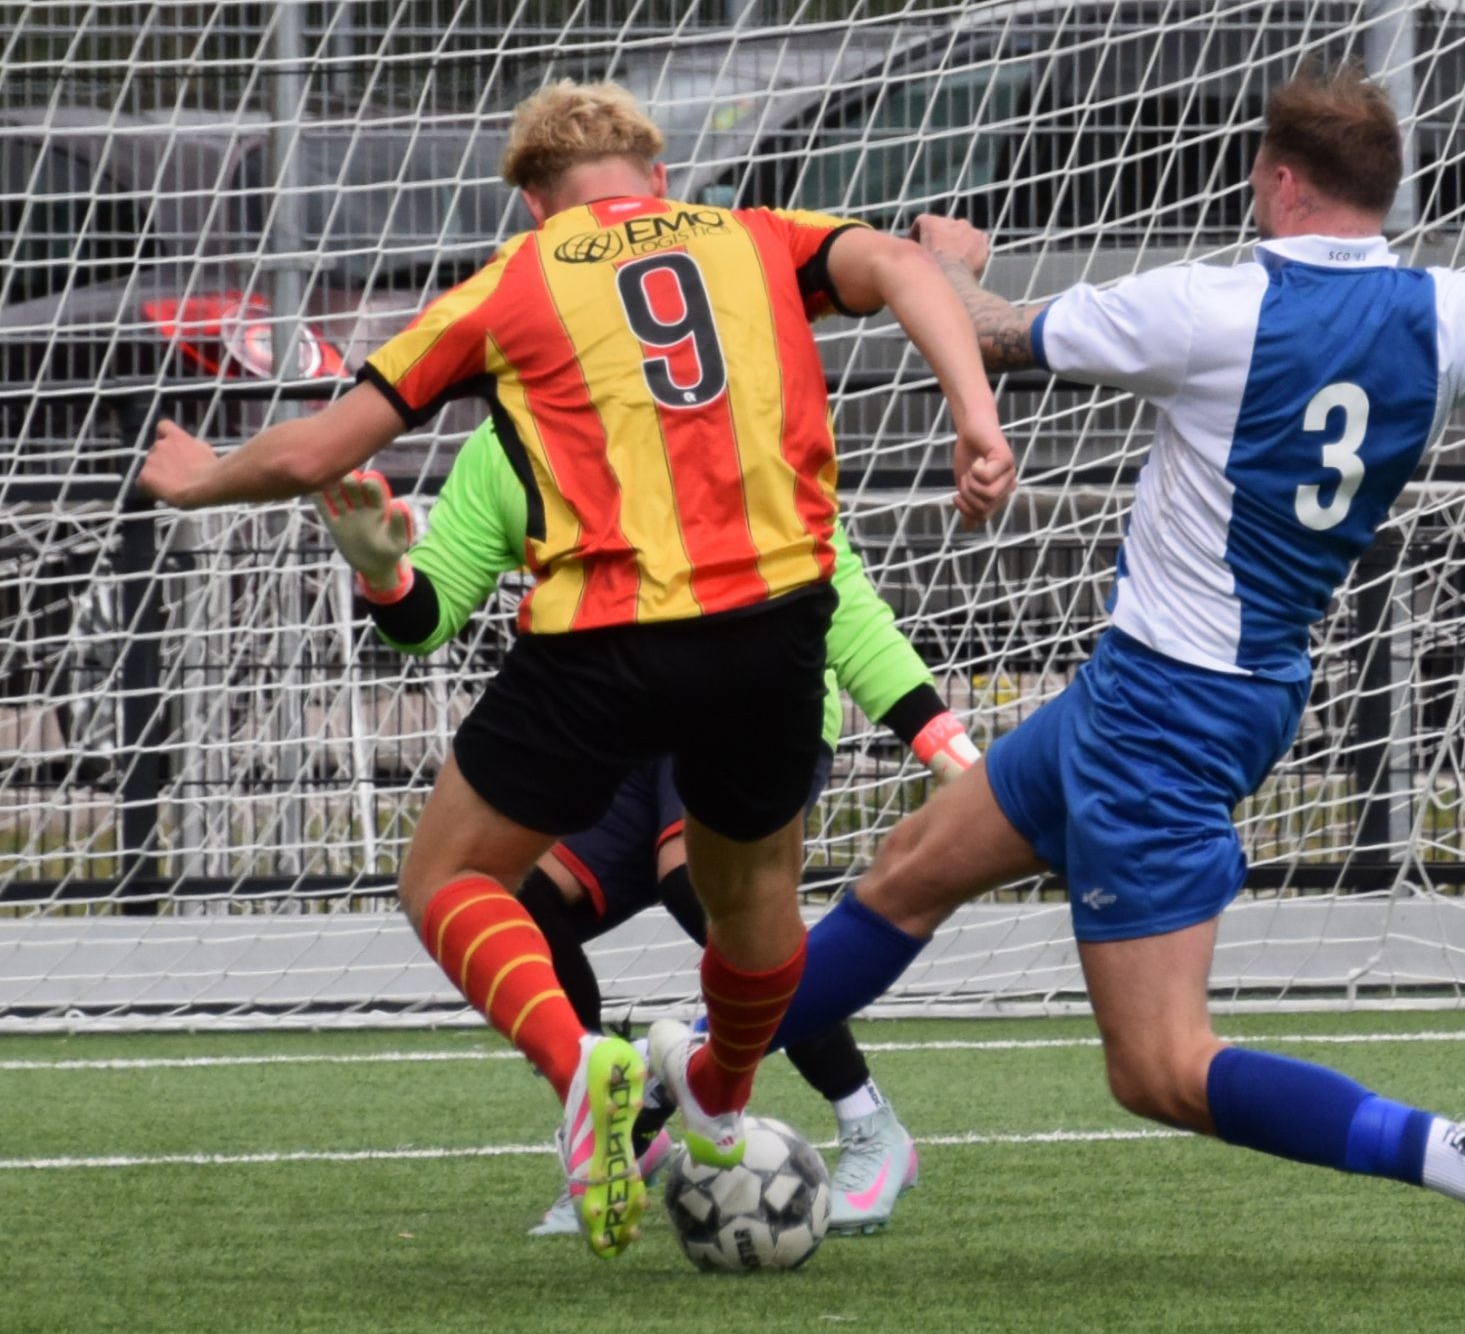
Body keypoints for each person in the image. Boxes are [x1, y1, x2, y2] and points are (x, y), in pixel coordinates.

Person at [718, 64, 1465, 1283]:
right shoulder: (1455, 309)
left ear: (1276, 178)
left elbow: (993, 333)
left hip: (1166, 712)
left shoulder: (1210, 304)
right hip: (1196, 688)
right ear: (1383, 187)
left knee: (1159, 1066)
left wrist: (939, 260)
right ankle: (671, 1077)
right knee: (908, 872)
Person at [139, 80, 1014, 1260]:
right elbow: (908, 267)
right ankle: (715, 1095)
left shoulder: (510, 283)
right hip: (771, 629)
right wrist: (976, 417)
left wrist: (200, 477)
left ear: (533, 202)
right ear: (657, 176)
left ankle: (581, 1063)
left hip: (606, 642)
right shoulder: (755, 237)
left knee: (449, 878)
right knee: (750, 900)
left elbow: (316, 450)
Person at [314, 434, 973, 1235]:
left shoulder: (723, 413)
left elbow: (840, 596)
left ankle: (869, 1121)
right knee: (518, 896)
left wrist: (944, 743)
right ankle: (617, 1131)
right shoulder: (507, 442)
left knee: (697, 883)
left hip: (751, 707)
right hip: (621, 724)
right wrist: (386, 576)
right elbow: (430, 615)